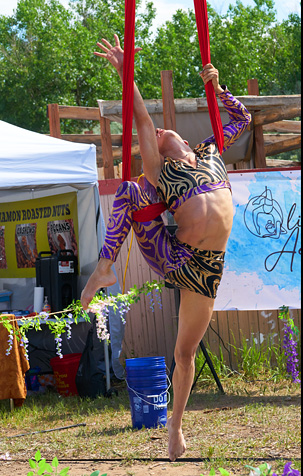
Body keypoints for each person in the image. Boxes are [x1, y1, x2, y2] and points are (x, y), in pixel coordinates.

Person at [81, 34, 251, 461]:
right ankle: (104, 268)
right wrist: (125, 71)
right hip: (175, 257)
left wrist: (218, 85)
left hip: (209, 267)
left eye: (160, 129)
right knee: (129, 191)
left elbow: (242, 116)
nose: (155, 132)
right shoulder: (160, 169)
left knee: (184, 352)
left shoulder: (210, 150)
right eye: (152, 134)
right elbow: (139, 114)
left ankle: (175, 427)